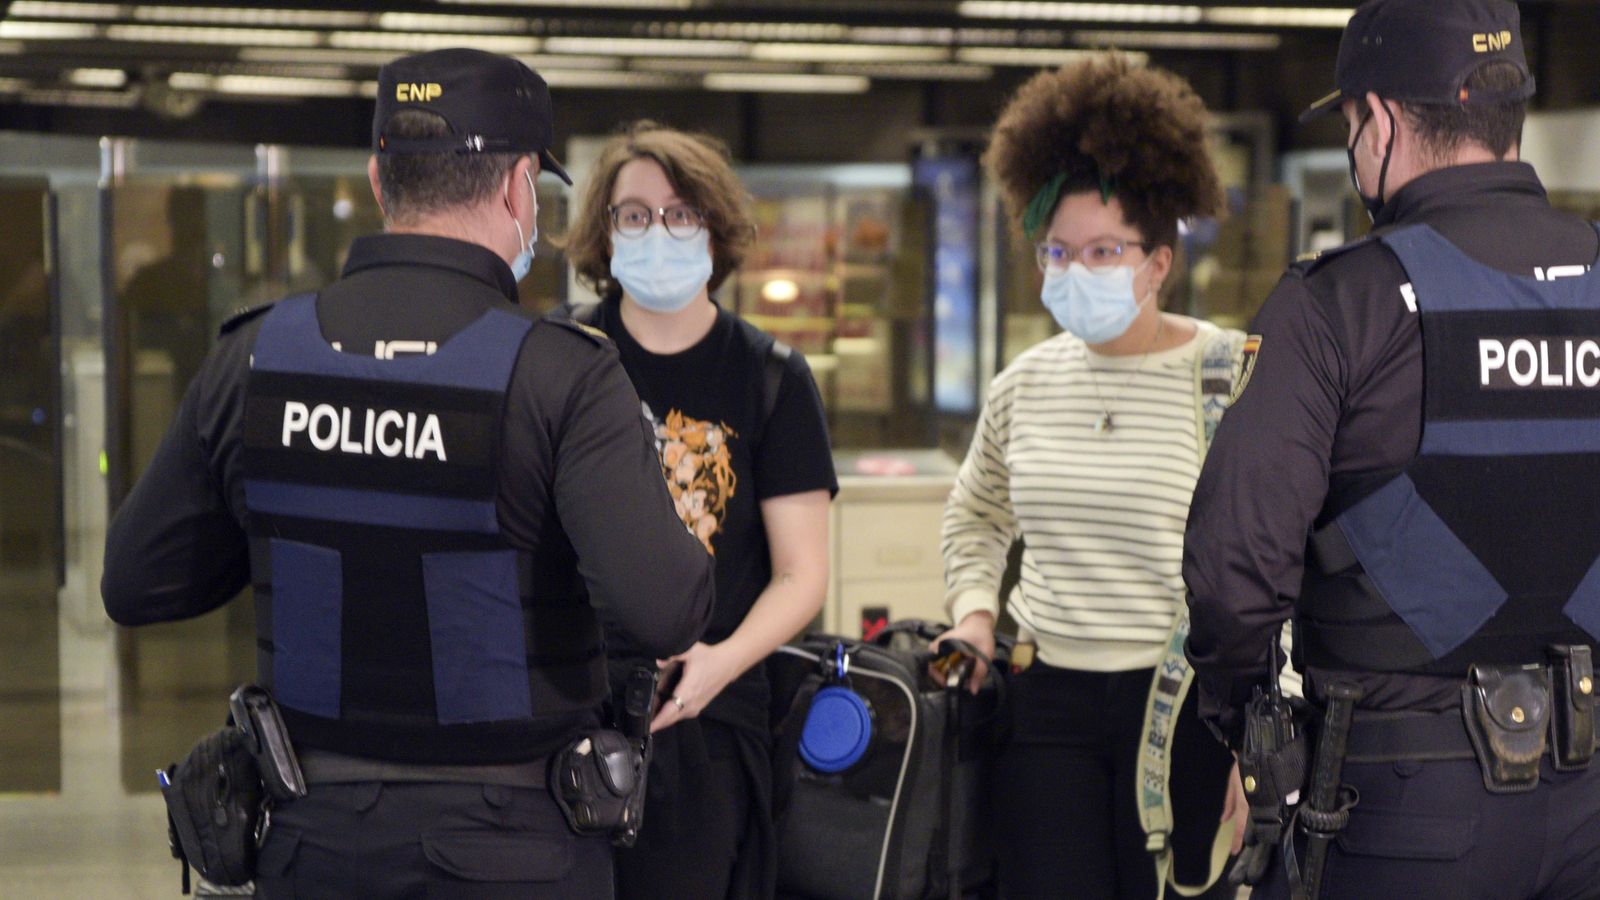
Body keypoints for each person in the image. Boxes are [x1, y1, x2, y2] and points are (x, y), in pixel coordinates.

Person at [100, 48, 714, 898]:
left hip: (310, 843)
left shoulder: (256, 358)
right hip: (515, 853)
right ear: (517, 190)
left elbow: (137, 584)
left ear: (381, 180)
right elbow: (662, 610)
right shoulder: (563, 375)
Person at [1183, 0, 1600, 896]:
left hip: (1404, 802)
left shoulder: (1338, 307)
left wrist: (1245, 722)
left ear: (1379, 119)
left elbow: (1234, 568)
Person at [934, 54, 1248, 900]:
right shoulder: (1024, 384)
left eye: (1104, 249)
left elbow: (1276, 555)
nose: (1077, 271)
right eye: (1058, 251)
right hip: (1045, 708)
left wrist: (1258, 729)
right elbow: (977, 516)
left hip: (1186, 703)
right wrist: (972, 618)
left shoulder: (1232, 377)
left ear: (1158, 260)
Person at [559, 121, 837, 899]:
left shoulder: (772, 378)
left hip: (710, 716)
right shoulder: (559, 358)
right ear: (605, 234)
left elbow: (802, 573)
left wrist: (719, 664)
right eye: (635, 214)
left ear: (714, 229)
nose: (658, 231)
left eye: (681, 213)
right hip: (564, 709)